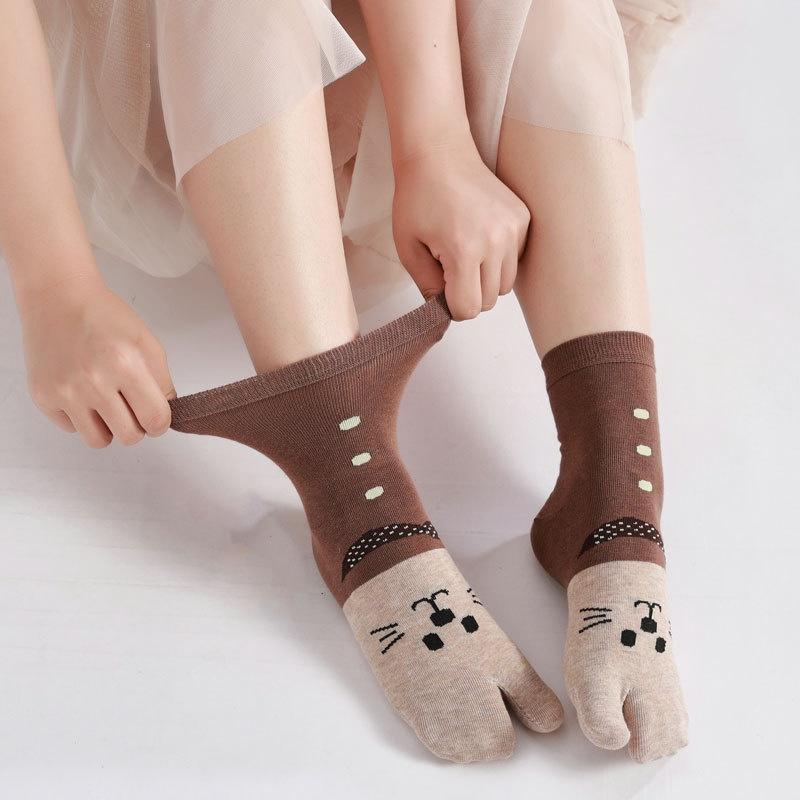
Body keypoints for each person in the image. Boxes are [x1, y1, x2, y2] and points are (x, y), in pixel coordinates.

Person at [0, 0, 689, 763]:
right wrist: (54, 286)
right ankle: (361, 507)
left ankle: (615, 493)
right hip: (188, 112)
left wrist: (436, 143)